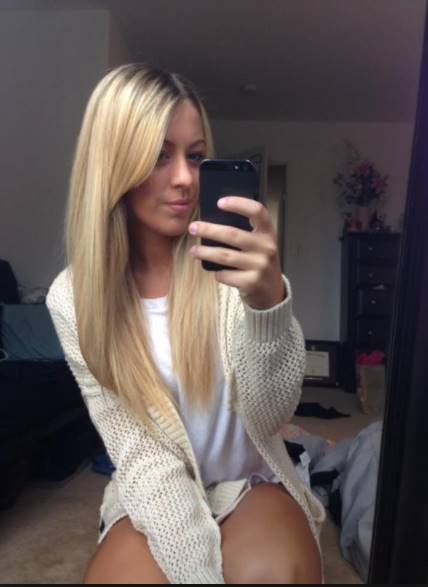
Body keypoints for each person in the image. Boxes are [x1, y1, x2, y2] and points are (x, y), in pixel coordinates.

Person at [46, 63, 325, 584]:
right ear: (113, 163)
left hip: (249, 480)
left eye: (195, 156)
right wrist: (197, 572)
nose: (184, 179)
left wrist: (267, 307)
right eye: (159, 156)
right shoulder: (74, 299)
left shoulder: (236, 269)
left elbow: (272, 416)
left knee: (273, 574)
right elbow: (141, 455)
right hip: (151, 486)